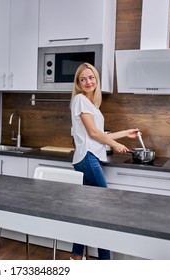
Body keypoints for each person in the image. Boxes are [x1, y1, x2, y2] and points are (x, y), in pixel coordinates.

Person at [70, 63, 139, 260]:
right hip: (87, 158)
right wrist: (115, 146)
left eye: (91, 77)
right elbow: (93, 134)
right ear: (78, 83)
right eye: (83, 79)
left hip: (88, 158)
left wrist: (126, 133)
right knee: (104, 212)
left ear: (96, 79)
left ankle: (76, 256)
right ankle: (105, 262)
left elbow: (99, 134)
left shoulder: (92, 105)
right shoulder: (80, 99)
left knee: (88, 211)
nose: (88, 82)